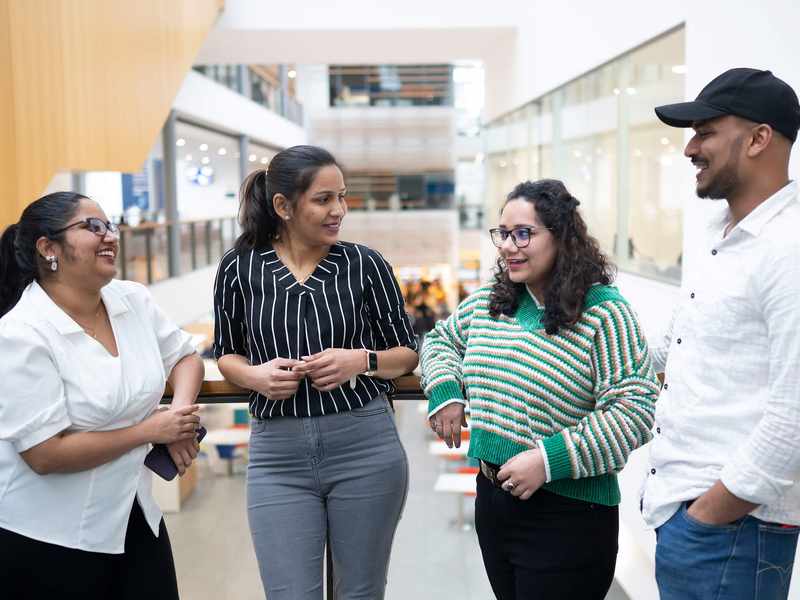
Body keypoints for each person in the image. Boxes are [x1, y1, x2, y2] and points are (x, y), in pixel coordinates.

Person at [422, 179, 660, 600]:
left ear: (562, 237)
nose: (508, 246)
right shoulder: (491, 303)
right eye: (503, 234)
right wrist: (446, 391)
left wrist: (548, 461)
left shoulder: (604, 313)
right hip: (493, 503)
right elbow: (441, 341)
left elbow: (634, 410)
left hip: (567, 516)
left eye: (524, 234)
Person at [213, 145, 418, 599]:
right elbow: (226, 352)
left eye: (342, 197)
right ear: (283, 206)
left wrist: (359, 360)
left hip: (365, 445)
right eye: (324, 199)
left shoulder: (365, 264)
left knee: (360, 593)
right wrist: (255, 377)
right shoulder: (238, 267)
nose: (339, 210)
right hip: (276, 455)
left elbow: (407, 353)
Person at [642, 68, 800, 600]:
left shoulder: (788, 248)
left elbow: (794, 413)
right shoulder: (720, 237)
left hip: (733, 530)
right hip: (692, 521)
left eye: (706, 131)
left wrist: (710, 514)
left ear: (759, 138)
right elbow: (670, 352)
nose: (690, 147)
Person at [0, 192, 204, 600]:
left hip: (134, 516)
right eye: (92, 227)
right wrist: (151, 430)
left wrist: (178, 419)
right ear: (48, 248)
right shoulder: (21, 333)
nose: (109, 235)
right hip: (50, 539)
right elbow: (44, 454)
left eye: (110, 225)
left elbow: (185, 357)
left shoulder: (132, 299)